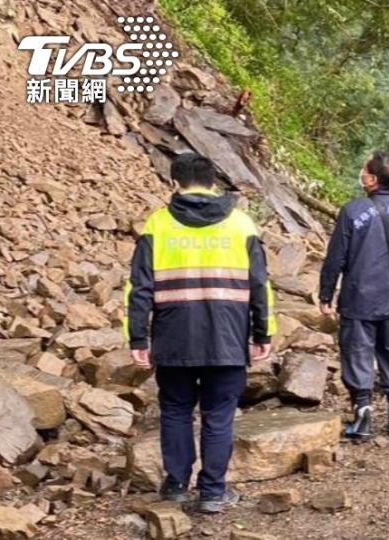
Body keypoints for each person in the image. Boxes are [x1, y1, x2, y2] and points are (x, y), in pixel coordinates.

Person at [124, 152, 275, 513]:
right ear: (212, 182)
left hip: (174, 337)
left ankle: (176, 484)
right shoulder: (241, 225)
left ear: (174, 184)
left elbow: (138, 288)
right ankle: (212, 492)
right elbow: (260, 285)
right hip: (227, 337)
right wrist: (263, 334)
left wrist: (138, 338)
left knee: (175, 411)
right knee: (218, 415)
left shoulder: (157, 225)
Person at [319, 151, 389, 441]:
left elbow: (336, 259)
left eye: (363, 170)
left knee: (357, 352)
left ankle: (363, 415)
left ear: (371, 179)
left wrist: (325, 294)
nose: (361, 173)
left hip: (358, 298)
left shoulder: (353, 211)